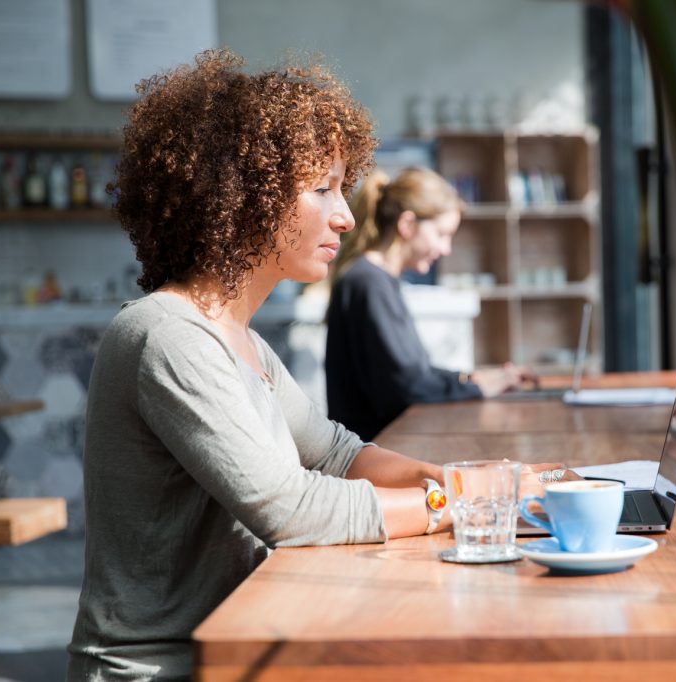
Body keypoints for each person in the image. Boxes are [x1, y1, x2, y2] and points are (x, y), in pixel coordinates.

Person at [67, 50, 556, 680]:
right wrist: (466, 504)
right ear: (243, 193)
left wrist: (476, 480)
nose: (346, 215)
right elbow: (290, 509)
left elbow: (336, 454)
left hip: (234, 640)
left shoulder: (236, 337)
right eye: (322, 188)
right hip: (163, 668)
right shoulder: (167, 335)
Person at [325, 168, 535, 440]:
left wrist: (472, 379)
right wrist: (477, 388)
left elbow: (413, 373)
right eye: (441, 234)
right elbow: (408, 388)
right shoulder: (368, 283)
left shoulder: (376, 280)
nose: (446, 249)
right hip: (376, 452)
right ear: (407, 225)